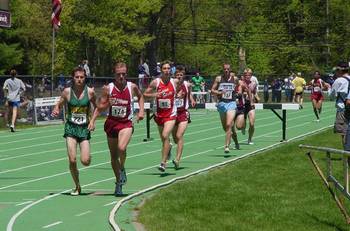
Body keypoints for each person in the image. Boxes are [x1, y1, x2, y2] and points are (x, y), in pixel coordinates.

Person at [90, 62, 144, 196]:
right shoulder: (108, 88)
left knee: (121, 148)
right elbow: (100, 107)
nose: (121, 76)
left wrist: (141, 111)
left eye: (123, 74)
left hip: (126, 123)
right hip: (111, 123)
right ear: (114, 74)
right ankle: (119, 182)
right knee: (114, 157)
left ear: (126, 74)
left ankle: (122, 167)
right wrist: (92, 120)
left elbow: (141, 96)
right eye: (118, 74)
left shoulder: (132, 87)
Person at [52, 66, 97, 196]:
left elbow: (97, 107)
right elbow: (59, 104)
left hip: (84, 128)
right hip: (71, 127)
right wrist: (56, 109)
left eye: (81, 77)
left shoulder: (90, 92)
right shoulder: (67, 92)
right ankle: (77, 186)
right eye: (77, 77)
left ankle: (87, 155)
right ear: (73, 78)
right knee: (72, 160)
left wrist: (92, 121)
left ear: (85, 78)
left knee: (85, 161)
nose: (79, 79)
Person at [143, 60, 181, 172]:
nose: (167, 70)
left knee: (165, 135)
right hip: (159, 115)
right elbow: (145, 94)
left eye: (168, 68)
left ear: (171, 70)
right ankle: (168, 147)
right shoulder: (156, 82)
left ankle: (163, 163)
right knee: (164, 140)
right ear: (161, 70)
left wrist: (178, 94)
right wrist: (156, 94)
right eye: (164, 68)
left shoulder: (175, 82)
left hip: (171, 114)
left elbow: (179, 90)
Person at [211, 63, 240, 152]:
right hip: (222, 104)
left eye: (228, 69)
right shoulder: (219, 78)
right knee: (227, 128)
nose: (226, 71)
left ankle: (226, 146)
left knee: (228, 124)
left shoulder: (234, 79)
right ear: (223, 70)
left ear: (230, 69)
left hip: (231, 103)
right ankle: (236, 142)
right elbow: (212, 90)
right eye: (225, 69)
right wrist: (219, 93)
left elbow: (239, 87)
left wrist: (238, 94)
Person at [171, 65, 196, 169]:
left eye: (181, 75)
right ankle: (169, 147)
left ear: (183, 76)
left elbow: (189, 93)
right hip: (172, 113)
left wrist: (191, 99)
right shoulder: (171, 84)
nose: (179, 77)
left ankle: (177, 159)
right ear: (174, 76)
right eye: (177, 75)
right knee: (175, 138)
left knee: (179, 135)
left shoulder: (187, 85)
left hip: (183, 113)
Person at [329, 62, 350, 145]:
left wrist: (329, 88)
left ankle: (347, 154)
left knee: (344, 133)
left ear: (340, 71)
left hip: (343, 109)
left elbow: (331, 97)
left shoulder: (339, 80)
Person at [242, 68, 257, 144]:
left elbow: (254, 92)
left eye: (249, 75)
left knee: (251, 123)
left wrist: (256, 97)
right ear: (243, 75)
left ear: (251, 75)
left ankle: (250, 139)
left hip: (250, 104)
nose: (247, 76)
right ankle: (243, 127)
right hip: (242, 104)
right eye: (246, 75)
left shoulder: (254, 83)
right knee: (241, 124)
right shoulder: (240, 83)